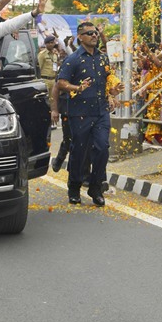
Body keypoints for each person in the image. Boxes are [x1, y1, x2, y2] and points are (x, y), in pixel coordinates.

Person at [57, 22, 124, 206]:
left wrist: (114, 91)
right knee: (79, 151)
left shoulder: (103, 58)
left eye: (95, 33)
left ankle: (95, 187)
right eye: (89, 33)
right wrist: (77, 88)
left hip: (101, 111)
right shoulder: (73, 59)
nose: (94, 35)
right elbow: (61, 83)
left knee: (102, 148)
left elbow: (108, 81)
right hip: (79, 114)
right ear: (80, 37)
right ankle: (74, 186)